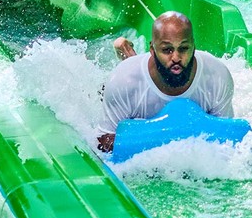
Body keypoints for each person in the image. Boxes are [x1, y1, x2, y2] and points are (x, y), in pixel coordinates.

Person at [97, 11, 235, 153]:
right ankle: (126, 52)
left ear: (194, 46)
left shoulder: (217, 76)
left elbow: (227, 139)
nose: (176, 57)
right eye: (167, 50)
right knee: (118, 83)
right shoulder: (123, 80)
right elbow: (103, 142)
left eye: (183, 48)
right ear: (152, 49)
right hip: (134, 83)